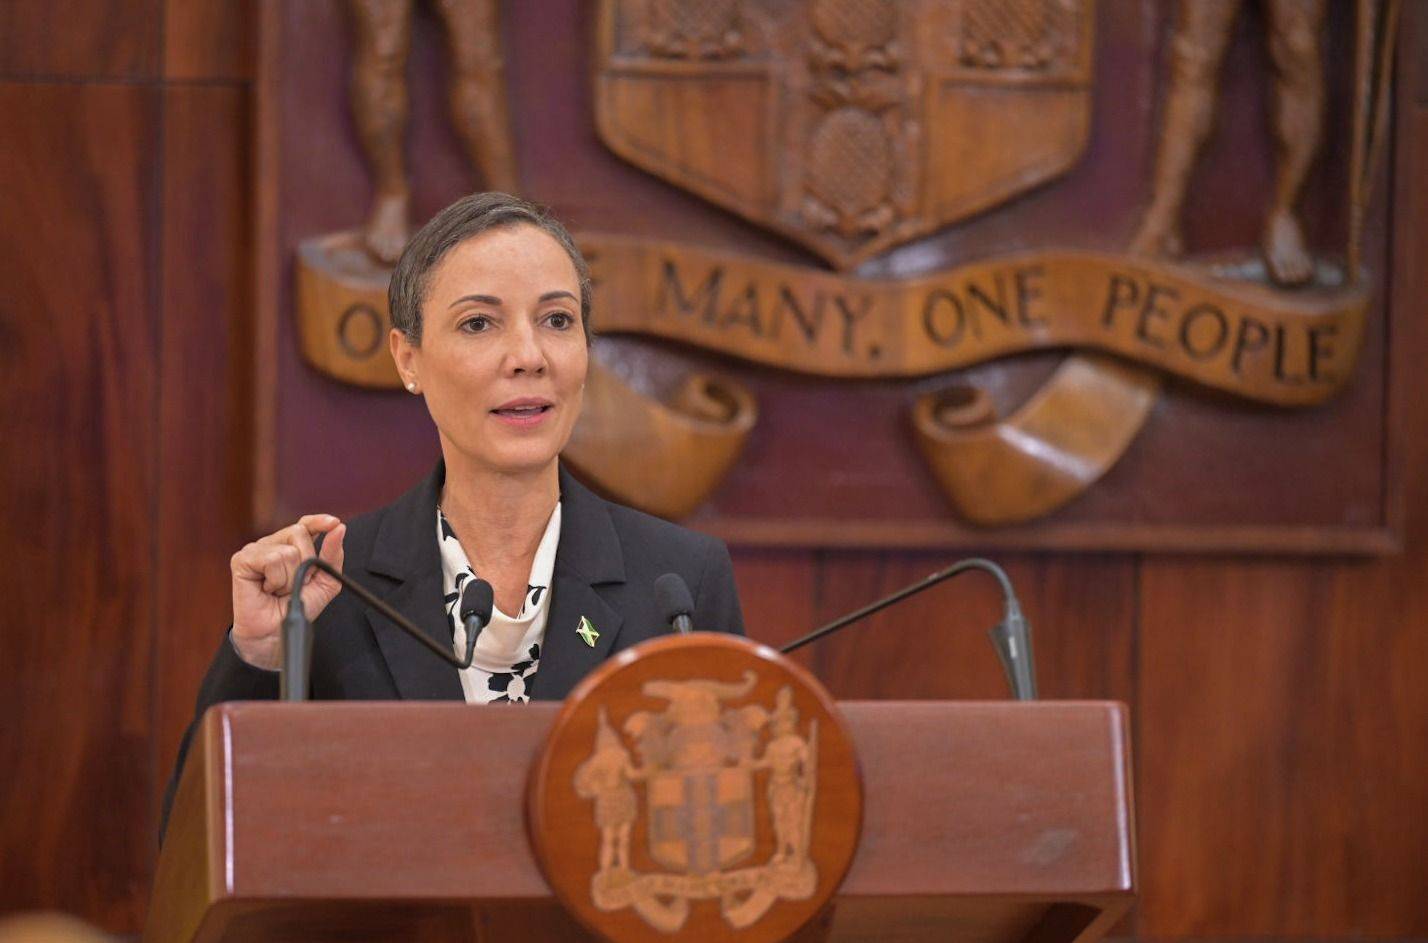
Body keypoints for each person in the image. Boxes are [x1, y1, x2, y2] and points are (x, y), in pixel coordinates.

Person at [162, 192, 746, 835]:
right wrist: (261, 654)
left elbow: (735, 834)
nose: (529, 356)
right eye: (479, 324)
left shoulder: (678, 583)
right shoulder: (330, 586)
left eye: (557, 320)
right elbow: (201, 842)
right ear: (407, 359)